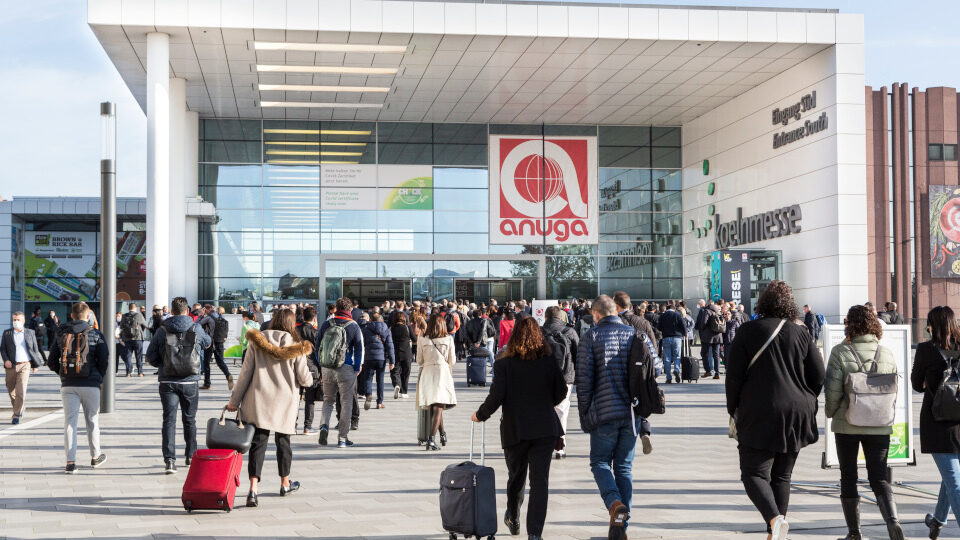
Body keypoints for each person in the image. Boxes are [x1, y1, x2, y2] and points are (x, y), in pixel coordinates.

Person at [726, 281, 825, 540]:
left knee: (753, 473)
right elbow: (819, 375)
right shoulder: (800, 332)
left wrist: (732, 407)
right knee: (782, 475)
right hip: (796, 411)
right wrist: (805, 397)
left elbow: (733, 376)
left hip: (758, 409)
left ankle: (774, 520)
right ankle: (776, 530)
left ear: (763, 302)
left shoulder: (748, 331)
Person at [472, 316, 567, 540]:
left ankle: (513, 515)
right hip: (544, 427)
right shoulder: (548, 360)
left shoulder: (504, 364)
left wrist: (480, 414)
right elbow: (561, 391)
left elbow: (497, 396)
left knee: (516, 476)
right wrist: (545, 404)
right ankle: (535, 533)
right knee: (540, 481)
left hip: (516, 427)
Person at [825, 305, 901, 540]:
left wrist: (831, 413)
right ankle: (893, 522)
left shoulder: (840, 352)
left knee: (848, 476)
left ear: (850, 324)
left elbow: (832, 391)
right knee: (878, 476)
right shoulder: (886, 353)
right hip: (880, 423)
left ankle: (854, 533)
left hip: (847, 424)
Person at [226, 308, 312, 507]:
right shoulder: (296, 345)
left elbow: (245, 374)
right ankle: (284, 483)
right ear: (291, 324)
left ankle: (253, 489)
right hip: (285, 401)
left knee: (258, 443)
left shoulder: (257, 341)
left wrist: (234, 401)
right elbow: (305, 379)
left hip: (258, 399)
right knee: (284, 442)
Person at [576, 295, 641, 540]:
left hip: (603, 412)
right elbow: (654, 368)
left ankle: (614, 504)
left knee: (600, 463)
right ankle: (620, 529)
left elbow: (584, 381)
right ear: (617, 311)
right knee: (624, 467)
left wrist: (585, 415)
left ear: (595, 314)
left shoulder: (590, 337)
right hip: (631, 412)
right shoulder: (635, 334)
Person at [146, 297, 211, 474]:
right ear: (187, 310)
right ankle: (191, 455)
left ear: (172, 311)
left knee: (169, 420)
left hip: (167, 381)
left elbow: (151, 355)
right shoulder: (195, 327)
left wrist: (163, 365)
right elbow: (207, 343)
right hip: (190, 380)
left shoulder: (163, 329)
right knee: (189, 419)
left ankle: (170, 461)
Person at [911, 305, 960, 539]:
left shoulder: (925, 350)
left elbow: (915, 384)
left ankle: (944, 523)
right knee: (951, 478)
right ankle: (938, 520)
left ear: (932, 325)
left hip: (937, 422)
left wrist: (932, 385)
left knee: (954, 481)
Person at [46, 302, 108, 474]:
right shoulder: (95, 333)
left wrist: (63, 374)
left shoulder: (61, 333)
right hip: (91, 384)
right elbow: (104, 360)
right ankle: (95, 457)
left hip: (68, 385)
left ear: (71, 316)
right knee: (92, 420)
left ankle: (70, 462)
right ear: (88, 316)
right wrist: (98, 377)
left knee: (70, 422)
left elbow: (51, 361)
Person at [316, 297, 364, 448]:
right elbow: (360, 349)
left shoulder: (326, 323)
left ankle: (324, 425)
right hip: (346, 367)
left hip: (327, 368)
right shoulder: (353, 326)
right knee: (346, 402)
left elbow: (317, 346)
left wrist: (321, 365)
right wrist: (357, 367)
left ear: (336, 308)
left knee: (328, 400)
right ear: (350, 310)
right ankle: (342, 438)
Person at [541, 305, 578, 459]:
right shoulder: (570, 331)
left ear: (546, 317)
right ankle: (560, 447)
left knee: (543, 411)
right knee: (562, 411)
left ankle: (544, 444)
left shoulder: (539, 331)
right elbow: (578, 355)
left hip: (542, 378)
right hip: (565, 377)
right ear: (561, 316)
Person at [416, 312, 457, 451]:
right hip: (442, 373)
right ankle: (431, 440)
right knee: (438, 406)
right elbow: (453, 361)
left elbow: (419, 360)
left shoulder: (422, 339)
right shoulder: (449, 339)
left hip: (427, 373)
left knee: (436, 406)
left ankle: (443, 434)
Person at [1, 311, 44, 424]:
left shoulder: (30, 332)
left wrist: (35, 365)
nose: (16, 322)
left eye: (18, 320)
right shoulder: (7, 333)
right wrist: (6, 360)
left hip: (25, 365)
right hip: (11, 366)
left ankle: (16, 415)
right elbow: (3, 349)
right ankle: (20, 407)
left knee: (20, 391)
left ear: (23, 321)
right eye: (14, 320)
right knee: (11, 391)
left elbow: (34, 349)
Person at [359, 312, 394, 410]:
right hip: (381, 358)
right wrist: (392, 361)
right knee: (380, 380)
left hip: (368, 357)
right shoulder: (386, 330)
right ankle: (379, 402)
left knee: (368, 378)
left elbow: (362, 344)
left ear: (370, 320)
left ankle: (368, 394)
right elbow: (390, 346)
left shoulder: (365, 330)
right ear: (381, 320)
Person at [297, 306, 322, 435]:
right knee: (310, 398)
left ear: (303, 317)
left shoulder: (295, 330)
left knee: (295, 397)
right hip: (311, 367)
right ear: (314, 318)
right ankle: (307, 426)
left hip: (295, 366)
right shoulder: (315, 333)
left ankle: (292, 425)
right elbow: (320, 352)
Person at [198, 304, 234, 391]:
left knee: (206, 362)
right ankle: (228, 375)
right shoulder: (219, 316)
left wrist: (201, 316)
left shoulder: (208, 317)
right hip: (219, 342)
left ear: (206, 310)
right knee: (220, 361)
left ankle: (207, 384)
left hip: (210, 343)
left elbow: (198, 324)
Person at [658, 303, 685, 384]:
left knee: (667, 358)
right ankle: (676, 370)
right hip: (677, 338)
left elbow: (659, 327)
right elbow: (683, 325)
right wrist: (684, 334)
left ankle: (668, 377)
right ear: (674, 309)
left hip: (666, 337)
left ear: (666, 309)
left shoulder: (663, 316)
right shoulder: (678, 315)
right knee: (677, 356)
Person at [118, 302, 148, 377]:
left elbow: (121, 326)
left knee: (128, 356)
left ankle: (128, 373)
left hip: (127, 339)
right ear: (135, 308)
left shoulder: (124, 316)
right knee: (139, 356)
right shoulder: (139, 315)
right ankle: (140, 372)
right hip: (138, 338)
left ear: (129, 308)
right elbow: (145, 325)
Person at [695, 300, 723, 379]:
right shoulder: (718, 311)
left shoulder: (707, 311)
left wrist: (702, 330)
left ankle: (708, 371)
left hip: (708, 337)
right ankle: (717, 373)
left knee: (704, 353)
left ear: (707, 304)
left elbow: (703, 323)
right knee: (716, 355)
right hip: (718, 336)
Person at [389, 311, 413, 399]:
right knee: (406, 373)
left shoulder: (391, 328)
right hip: (406, 353)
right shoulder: (407, 327)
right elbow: (414, 338)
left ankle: (397, 384)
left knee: (395, 371)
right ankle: (404, 392)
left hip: (395, 353)